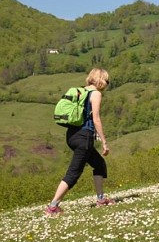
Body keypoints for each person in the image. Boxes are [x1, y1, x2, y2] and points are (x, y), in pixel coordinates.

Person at [46, 68, 115, 216]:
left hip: (72, 135)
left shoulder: (81, 91)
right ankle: (52, 207)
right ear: (101, 80)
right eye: (106, 81)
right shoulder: (95, 94)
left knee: (99, 164)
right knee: (73, 173)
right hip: (84, 137)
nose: (107, 84)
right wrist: (104, 142)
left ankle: (101, 199)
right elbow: (96, 119)